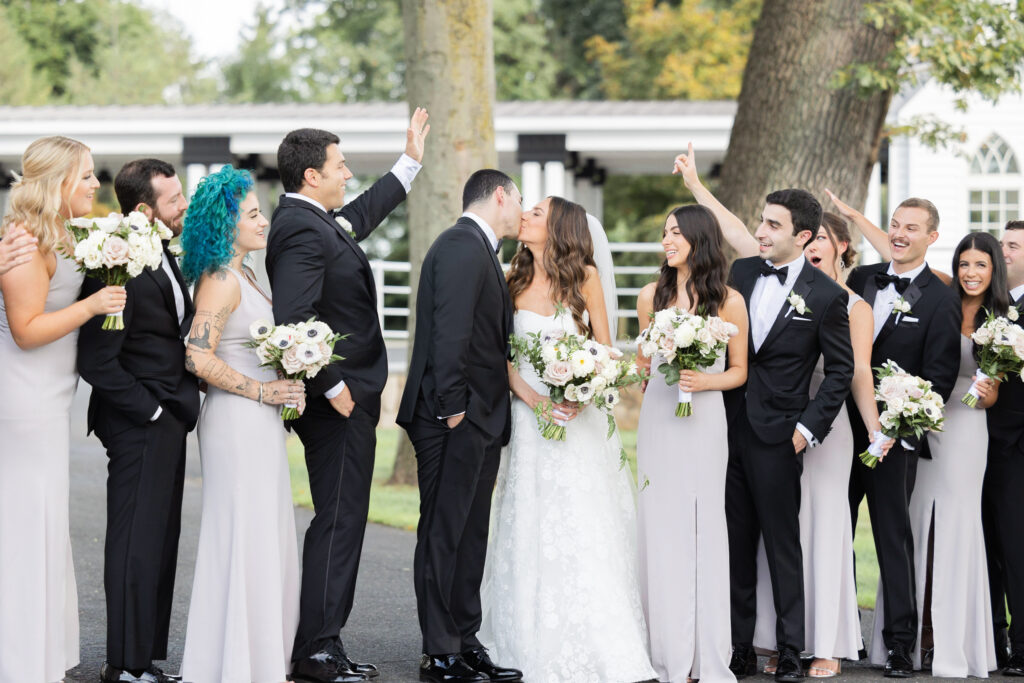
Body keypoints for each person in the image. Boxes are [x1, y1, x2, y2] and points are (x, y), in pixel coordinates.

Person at [265, 108, 429, 683]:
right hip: (337, 402)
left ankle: (323, 640)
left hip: (348, 397)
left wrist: (408, 164)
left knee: (344, 517)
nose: (347, 172)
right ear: (312, 175)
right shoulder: (301, 229)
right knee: (338, 520)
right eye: (340, 165)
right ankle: (315, 651)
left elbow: (360, 214)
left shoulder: (318, 221)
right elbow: (293, 318)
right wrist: (334, 386)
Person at [476, 195, 657, 683]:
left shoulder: (586, 279)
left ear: (558, 228)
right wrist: (535, 400)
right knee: (528, 522)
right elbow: (502, 358)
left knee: (580, 524)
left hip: (578, 425)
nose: (525, 215)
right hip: (528, 421)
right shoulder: (509, 279)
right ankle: (524, 640)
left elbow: (606, 352)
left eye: (536, 212)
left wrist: (584, 387)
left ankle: (595, 639)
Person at [0, 136, 125, 683]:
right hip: (23, 402)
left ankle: (39, 651)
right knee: (28, 520)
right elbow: (27, 333)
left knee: (46, 518)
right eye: (87, 176)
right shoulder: (24, 243)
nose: (97, 185)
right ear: (57, 183)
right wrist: (93, 304)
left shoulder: (68, 236)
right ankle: (20, 656)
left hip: (49, 400)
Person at [178, 166, 305, 683]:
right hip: (236, 421)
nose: (264, 220)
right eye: (252, 214)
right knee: (243, 534)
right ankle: (231, 662)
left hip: (259, 422)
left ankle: (256, 659)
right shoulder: (222, 280)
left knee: (263, 533)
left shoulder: (246, 274)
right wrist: (262, 390)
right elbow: (196, 357)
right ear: (226, 224)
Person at [397, 170, 524, 683]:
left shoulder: (481, 249)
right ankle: (440, 651)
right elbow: (450, 332)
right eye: (519, 200)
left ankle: (465, 639)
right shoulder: (459, 245)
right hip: (453, 418)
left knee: (471, 532)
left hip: (480, 420)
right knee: (444, 532)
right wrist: (453, 408)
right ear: (500, 196)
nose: (521, 209)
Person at [77, 158, 199, 683]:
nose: (183, 206)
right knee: (134, 543)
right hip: (138, 422)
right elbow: (96, 358)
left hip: (168, 420)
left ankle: (143, 659)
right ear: (144, 208)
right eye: (174, 200)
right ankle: (123, 666)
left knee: (160, 541)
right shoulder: (115, 259)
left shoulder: (165, 253)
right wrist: (149, 411)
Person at [844, 197, 961, 677]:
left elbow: (939, 377)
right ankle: (834, 634)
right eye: (894, 225)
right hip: (840, 432)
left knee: (894, 539)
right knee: (833, 532)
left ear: (931, 237)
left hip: (894, 439)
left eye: (911, 228)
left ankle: (898, 646)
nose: (899, 234)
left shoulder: (942, 297)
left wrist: (892, 429)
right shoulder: (861, 280)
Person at [634, 202, 749, 683]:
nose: (667, 240)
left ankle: (702, 654)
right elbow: (641, 366)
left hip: (704, 419)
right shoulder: (649, 296)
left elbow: (739, 371)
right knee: (659, 526)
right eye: (664, 232)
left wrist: (705, 382)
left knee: (701, 527)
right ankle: (664, 652)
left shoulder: (728, 300)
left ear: (699, 238)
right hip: (660, 416)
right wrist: (639, 370)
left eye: (675, 232)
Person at [901, 232, 1005, 678]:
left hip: (965, 428)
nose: (971, 272)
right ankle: (913, 637)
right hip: (924, 418)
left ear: (993, 269)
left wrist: (985, 394)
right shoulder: (940, 296)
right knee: (918, 522)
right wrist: (852, 216)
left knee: (957, 528)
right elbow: (901, 251)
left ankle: (951, 642)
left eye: (981, 264)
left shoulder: (1002, 319)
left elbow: (992, 394)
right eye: (965, 263)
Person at [984, 220, 1024, 676]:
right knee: (984, 547)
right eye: (1002, 243)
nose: (1003, 251)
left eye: (1012, 245)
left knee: (1016, 549)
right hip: (977, 444)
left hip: (1018, 450)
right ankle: (991, 640)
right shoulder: (983, 305)